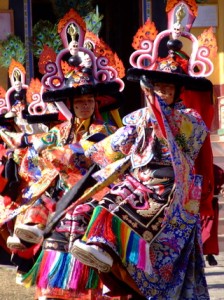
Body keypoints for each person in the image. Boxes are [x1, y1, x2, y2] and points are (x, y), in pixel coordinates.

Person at [69, 37, 214, 299]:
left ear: (178, 91)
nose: (163, 94)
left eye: (168, 89)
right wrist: (86, 151)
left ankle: (152, 283)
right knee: (103, 203)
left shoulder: (190, 119)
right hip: (140, 181)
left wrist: (161, 115)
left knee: (136, 220)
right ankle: (103, 250)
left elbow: (190, 143)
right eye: (158, 88)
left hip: (173, 189)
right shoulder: (141, 117)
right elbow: (119, 142)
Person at [202, 164, 224, 266]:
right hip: (196, 205)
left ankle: (210, 254)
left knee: (210, 230)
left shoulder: (217, 170)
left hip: (212, 204)